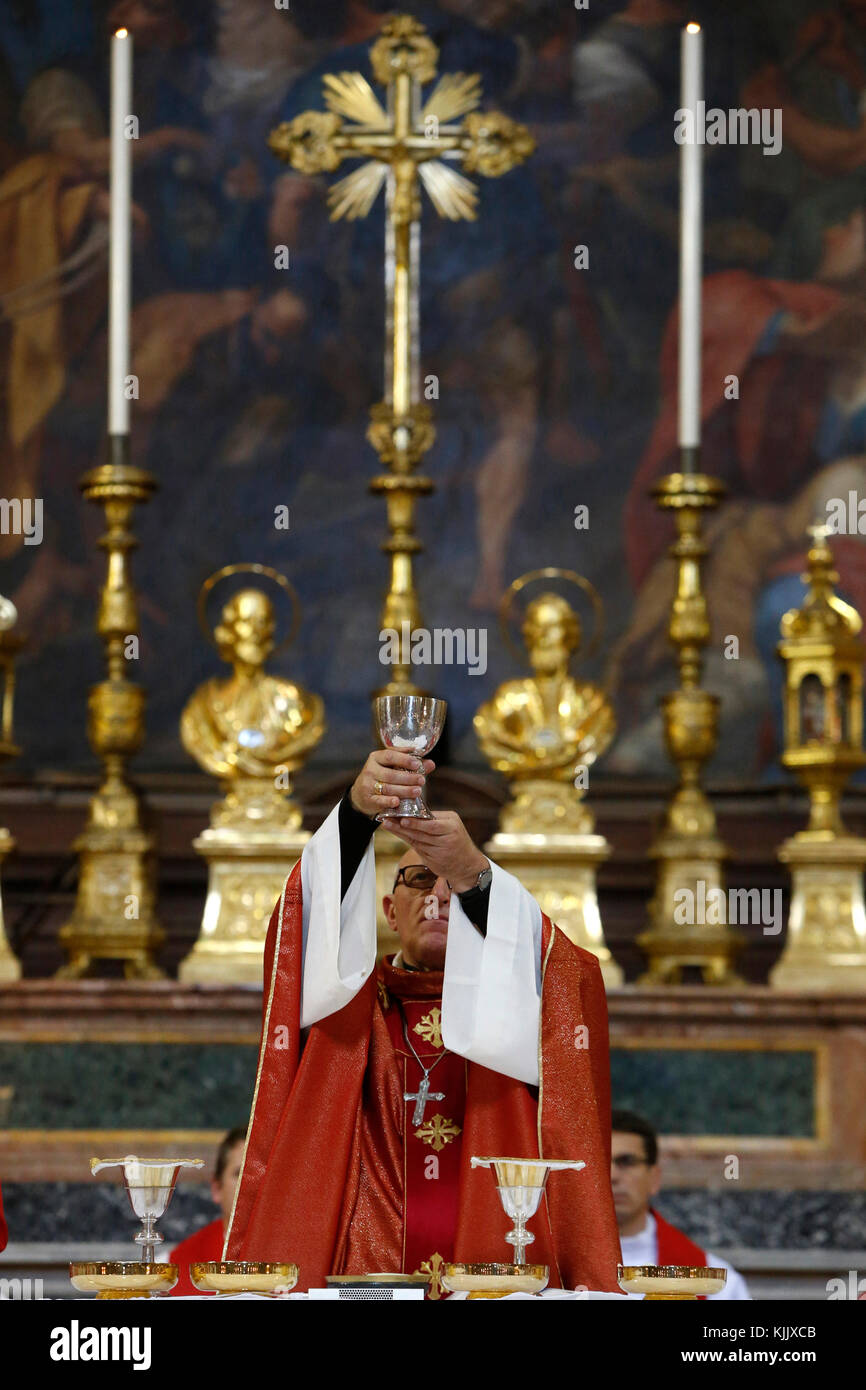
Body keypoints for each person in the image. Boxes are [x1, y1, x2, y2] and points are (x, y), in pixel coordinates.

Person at [226, 747, 621, 1291]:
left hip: (494, 1255)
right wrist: (355, 815)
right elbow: (302, 931)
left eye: (449, 885)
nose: (437, 895)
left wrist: (474, 877)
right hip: (365, 1263)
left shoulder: (512, 1001)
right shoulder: (344, 1002)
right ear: (388, 912)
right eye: (417, 879)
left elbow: (568, 977)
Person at [611, 1110, 751, 1301]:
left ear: (654, 1178)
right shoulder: (557, 1271)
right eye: (600, 1162)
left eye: (626, 1162)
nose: (612, 1176)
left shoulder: (718, 1286)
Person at [168, 1127, 246, 1297]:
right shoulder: (167, 1272)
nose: (252, 1184)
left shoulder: (311, 1265)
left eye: (263, 1173)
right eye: (239, 1173)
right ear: (217, 1189)